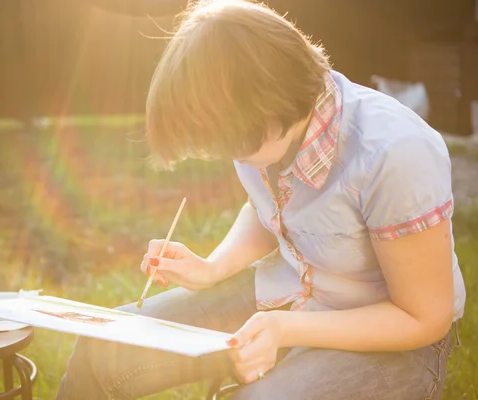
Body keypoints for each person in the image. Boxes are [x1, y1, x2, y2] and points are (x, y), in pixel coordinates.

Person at [56, 0, 466, 399]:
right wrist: (212, 267)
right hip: (286, 296)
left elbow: (424, 318)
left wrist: (286, 330)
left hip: (393, 339)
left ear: (272, 108)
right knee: (103, 347)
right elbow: (268, 209)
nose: (229, 157)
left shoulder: (393, 153)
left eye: (232, 144)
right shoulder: (267, 130)